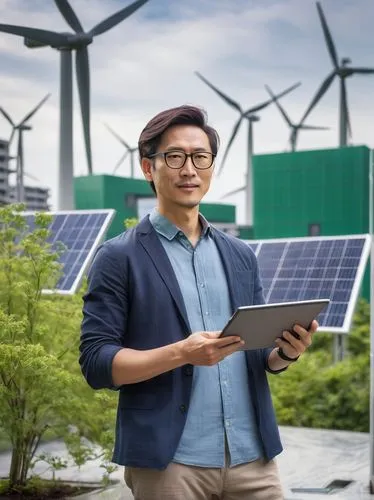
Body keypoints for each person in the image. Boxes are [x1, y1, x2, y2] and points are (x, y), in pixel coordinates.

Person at [79, 104, 318, 500]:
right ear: (147, 167)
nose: (188, 169)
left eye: (200, 157)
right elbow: (97, 363)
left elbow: (257, 356)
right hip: (170, 462)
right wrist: (181, 353)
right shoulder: (118, 257)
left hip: (253, 457)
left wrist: (285, 354)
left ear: (210, 165)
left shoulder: (240, 254)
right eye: (174, 156)